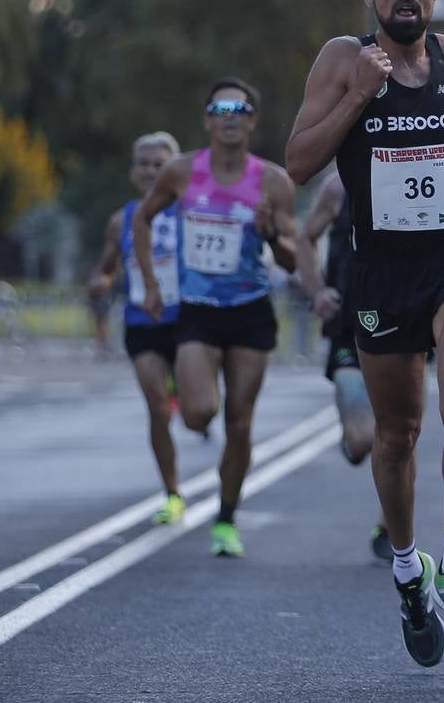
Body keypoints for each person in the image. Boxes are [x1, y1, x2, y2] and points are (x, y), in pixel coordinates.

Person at [286, 0, 444, 668]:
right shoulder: (343, 60)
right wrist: (357, 96)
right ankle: (412, 574)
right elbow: (299, 160)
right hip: (379, 272)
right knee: (396, 436)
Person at [135, 78, 297, 557]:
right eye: (220, 108)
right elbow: (142, 219)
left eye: (240, 109)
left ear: (252, 121)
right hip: (199, 313)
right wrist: (149, 284)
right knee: (199, 413)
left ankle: (226, 519)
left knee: (240, 423)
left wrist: (272, 234)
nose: (230, 115)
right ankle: (187, 387)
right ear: (207, 119)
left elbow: (290, 259)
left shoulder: (272, 181)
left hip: (250, 312)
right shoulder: (182, 172)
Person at [87, 131, 186, 525]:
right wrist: (101, 281)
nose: (149, 171)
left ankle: (185, 387)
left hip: (189, 320)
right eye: (143, 164)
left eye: (158, 164)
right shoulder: (121, 220)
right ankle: (173, 492)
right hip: (143, 321)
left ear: (174, 170)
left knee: (200, 412)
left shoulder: (189, 209)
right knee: (157, 409)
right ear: (132, 172)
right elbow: (106, 268)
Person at [294, 167, 391, 563]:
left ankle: (389, 527)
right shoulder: (338, 186)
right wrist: (316, 290)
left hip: (405, 315)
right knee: (364, 439)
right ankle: (353, 440)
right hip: (349, 322)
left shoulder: (419, 166)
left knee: (401, 426)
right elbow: (304, 238)